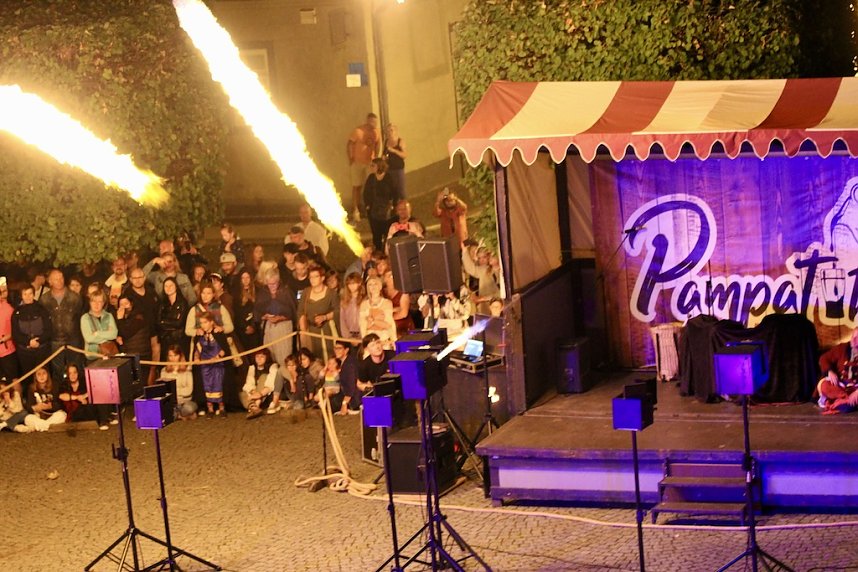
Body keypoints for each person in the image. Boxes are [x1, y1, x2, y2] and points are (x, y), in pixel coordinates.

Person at [11, 284, 52, 392]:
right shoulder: (16, 313)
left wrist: (38, 341)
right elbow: (15, 334)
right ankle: (30, 400)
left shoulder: (42, 310)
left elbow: (48, 330)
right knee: (28, 377)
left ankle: (46, 396)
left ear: (34, 294)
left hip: (41, 350)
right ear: (21, 296)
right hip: (25, 352)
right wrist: (28, 342)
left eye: (30, 293)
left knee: (44, 375)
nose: (28, 296)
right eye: (25, 294)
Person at [253, 269, 297, 367]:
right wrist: (263, 316)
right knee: (269, 354)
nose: (272, 286)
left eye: (274, 284)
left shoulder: (286, 292)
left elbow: (292, 311)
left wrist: (280, 317)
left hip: (283, 327)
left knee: (283, 355)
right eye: (269, 284)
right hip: (269, 326)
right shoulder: (263, 293)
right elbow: (257, 310)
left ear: (278, 281)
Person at [298, 266, 339, 362]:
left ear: (322, 278)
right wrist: (303, 331)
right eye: (310, 277)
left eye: (315, 276)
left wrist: (325, 317)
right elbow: (301, 311)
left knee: (329, 357)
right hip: (310, 330)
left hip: (326, 329)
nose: (312, 279)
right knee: (312, 357)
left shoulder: (331, 293)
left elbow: (338, 310)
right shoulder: (306, 292)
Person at [347, 112, 381, 221]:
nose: (374, 124)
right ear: (368, 121)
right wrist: (351, 158)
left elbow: (377, 144)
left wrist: (375, 158)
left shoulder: (377, 132)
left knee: (370, 186)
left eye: (376, 122)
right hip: (357, 163)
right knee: (357, 186)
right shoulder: (358, 131)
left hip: (369, 163)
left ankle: (369, 208)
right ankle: (355, 210)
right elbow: (349, 144)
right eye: (373, 122)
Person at [194, 312, 228, 418]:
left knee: (218, 384)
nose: (203, 325)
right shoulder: (200, 335)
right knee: (207, 385)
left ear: (211, 322)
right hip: (205, 365)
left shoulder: (218, 333)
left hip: (217, 364)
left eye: (205, 322)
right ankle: (210, 409)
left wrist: (216, 358)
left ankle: (221, 408)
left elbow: (224, 349)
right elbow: (197, 349)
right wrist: (196, 358)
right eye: (201, 323)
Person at [57, 363, 111, 430]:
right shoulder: (64, 384)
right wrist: (77, 397)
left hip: (87, 406)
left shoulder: (83, 380)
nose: (73, 375)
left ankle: (103, 421)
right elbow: (61, 396)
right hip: (75, 410)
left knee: (99, 397)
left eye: (75, 372)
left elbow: (94, 388)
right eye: (70, 373)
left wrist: (84, 396)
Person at [818, 327, 858, 412]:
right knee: (825, 385)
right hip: (841, 386)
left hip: (856, 389)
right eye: (853, 338)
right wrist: (830, 371)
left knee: (848, 406)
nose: (854, 341)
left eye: (857, 339)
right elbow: (824, 358)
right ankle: (845, 400)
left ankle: (841, 403)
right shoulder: (843, 348)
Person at [363, 158, 396, 252]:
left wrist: (393, 205)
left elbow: (394, 192)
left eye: (373, 165)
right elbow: (366, 193)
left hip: (386, 210)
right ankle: (378, 252)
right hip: (374, 211)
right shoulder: (371, 178)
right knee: (376, 233)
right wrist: (368, 205)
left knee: (387, 232)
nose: (371, 167)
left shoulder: (388, 177)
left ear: (379, 166)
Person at [159, 345, 197, 420]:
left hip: (184, 401)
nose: (173, 358)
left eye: (175, 355)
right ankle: (180, 415)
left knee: (189, 408)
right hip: (171, 402)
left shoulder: (187, 370)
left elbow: (189, 390)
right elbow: (163, 388)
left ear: (180, 356)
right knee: (162, 411)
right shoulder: (164, 370)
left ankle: (178, 415)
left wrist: (174, 391)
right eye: (170, 356)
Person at [23, 366, 67, 432]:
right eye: (39, 374)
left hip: (52, 414)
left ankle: (41, 427)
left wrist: (51, 406)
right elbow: (28, 406)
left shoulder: (54, 385)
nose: (42, 376)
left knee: (62, 415)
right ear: (35, 376)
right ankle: (47, 427)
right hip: (38, 415)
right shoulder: (31, 388)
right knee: (27, 418)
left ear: (47, 375)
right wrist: (35, 407)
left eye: (44, 373)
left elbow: (60, 404)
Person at [242, 348, 282, 418]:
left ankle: (256, 405)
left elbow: (271, 383)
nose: (259, 359)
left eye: (262, 357)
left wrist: (260, 394)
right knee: (242, 393)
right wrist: (253, 391)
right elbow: (249, 383)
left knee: (263, 376)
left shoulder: (272, 366)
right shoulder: (252, 368)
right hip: (254, 394)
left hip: (265, 395)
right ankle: (254, 408)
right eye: (257, 356)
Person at [462, 244, 501, 314]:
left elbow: (500, 293)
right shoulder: (484, 270)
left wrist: (481, 298)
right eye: (479, 258)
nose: (482, 260)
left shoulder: (500, 271)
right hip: (484, 309)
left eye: (484, 257)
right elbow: (471, 269)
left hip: (497, 309)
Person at [156, 276, 189, 358]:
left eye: (171, 285)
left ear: (176, 286)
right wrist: (170, 323)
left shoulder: (182, 302)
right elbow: (158, 322)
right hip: (165, 339)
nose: (168, 288)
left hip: (179, 339)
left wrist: (165, 322)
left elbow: (179, 323)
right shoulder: (162, 303)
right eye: (166, 286)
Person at [80, 290, 119, 361]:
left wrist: (97, 333)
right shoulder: (85, 318)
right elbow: (89, 338)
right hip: (93, 356)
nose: (96, 304)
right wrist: (107, 336)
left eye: (99, 301)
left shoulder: (109, 316)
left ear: (103, 303)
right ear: (90, 303)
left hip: (109, 355)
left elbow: (113, 334)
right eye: (93, 301)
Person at [359, 276, 396, 347]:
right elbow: (363, 325)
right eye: (370, 285)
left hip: (384, 340)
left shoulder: (387, 303)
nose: (373, 286)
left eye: (375, 284)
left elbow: (388, 324)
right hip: (369, 341)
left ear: (380, 286)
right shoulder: (364, 304)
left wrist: (372, 321)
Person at [233, 269, 261, 360]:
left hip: (256, 327)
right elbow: (236, 313)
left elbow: (259, 309)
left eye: (247, 277)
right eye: (243, 278)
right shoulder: (236, 293)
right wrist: (245, 326)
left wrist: (253, 326)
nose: (245, 280)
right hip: (242, 328)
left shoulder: (258, 291)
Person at [382, 269, 414, 339]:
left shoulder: (403, 292)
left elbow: (403, 313)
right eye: (389, 276)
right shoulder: (382, 292)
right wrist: (394, 309)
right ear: (384, 278)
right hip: (385, 328)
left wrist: (388, 318)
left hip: (402, 329)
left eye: (393, 275)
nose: (391, 278)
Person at [333, 340, 360, 415]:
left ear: (346, 350)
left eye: (339, 348)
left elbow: (351, 385)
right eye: (335, 348)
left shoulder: (349, 364)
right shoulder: (344, 362)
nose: (336, 351)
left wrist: (344, 403)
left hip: (354, 398)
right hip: (346, 394)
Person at [383, 123, 407, 200]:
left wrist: (394, 150)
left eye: (391, 130)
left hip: (398, 169)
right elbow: (384, 154)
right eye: (388, 131)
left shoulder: (400, 141)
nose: (390, 133)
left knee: (401, 190)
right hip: (389, 169)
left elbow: (405, 155)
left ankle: (405, 207)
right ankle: (395, 208)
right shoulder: (386, 142)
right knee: (392, 190)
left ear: (396, 131)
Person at [0, 279, 18, 383]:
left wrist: (2, 339)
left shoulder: (8, 309)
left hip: (7, 351)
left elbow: (15, 331)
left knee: (13, 380)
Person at [339, 272, 365, 342]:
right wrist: (348, 337)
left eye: (353, 283)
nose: (351, 286)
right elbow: (342, 320)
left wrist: (361, 336)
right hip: (349, 335)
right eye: (349, 284)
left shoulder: (364, 300)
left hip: (363, 335)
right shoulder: (344, 301)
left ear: (359, 283)